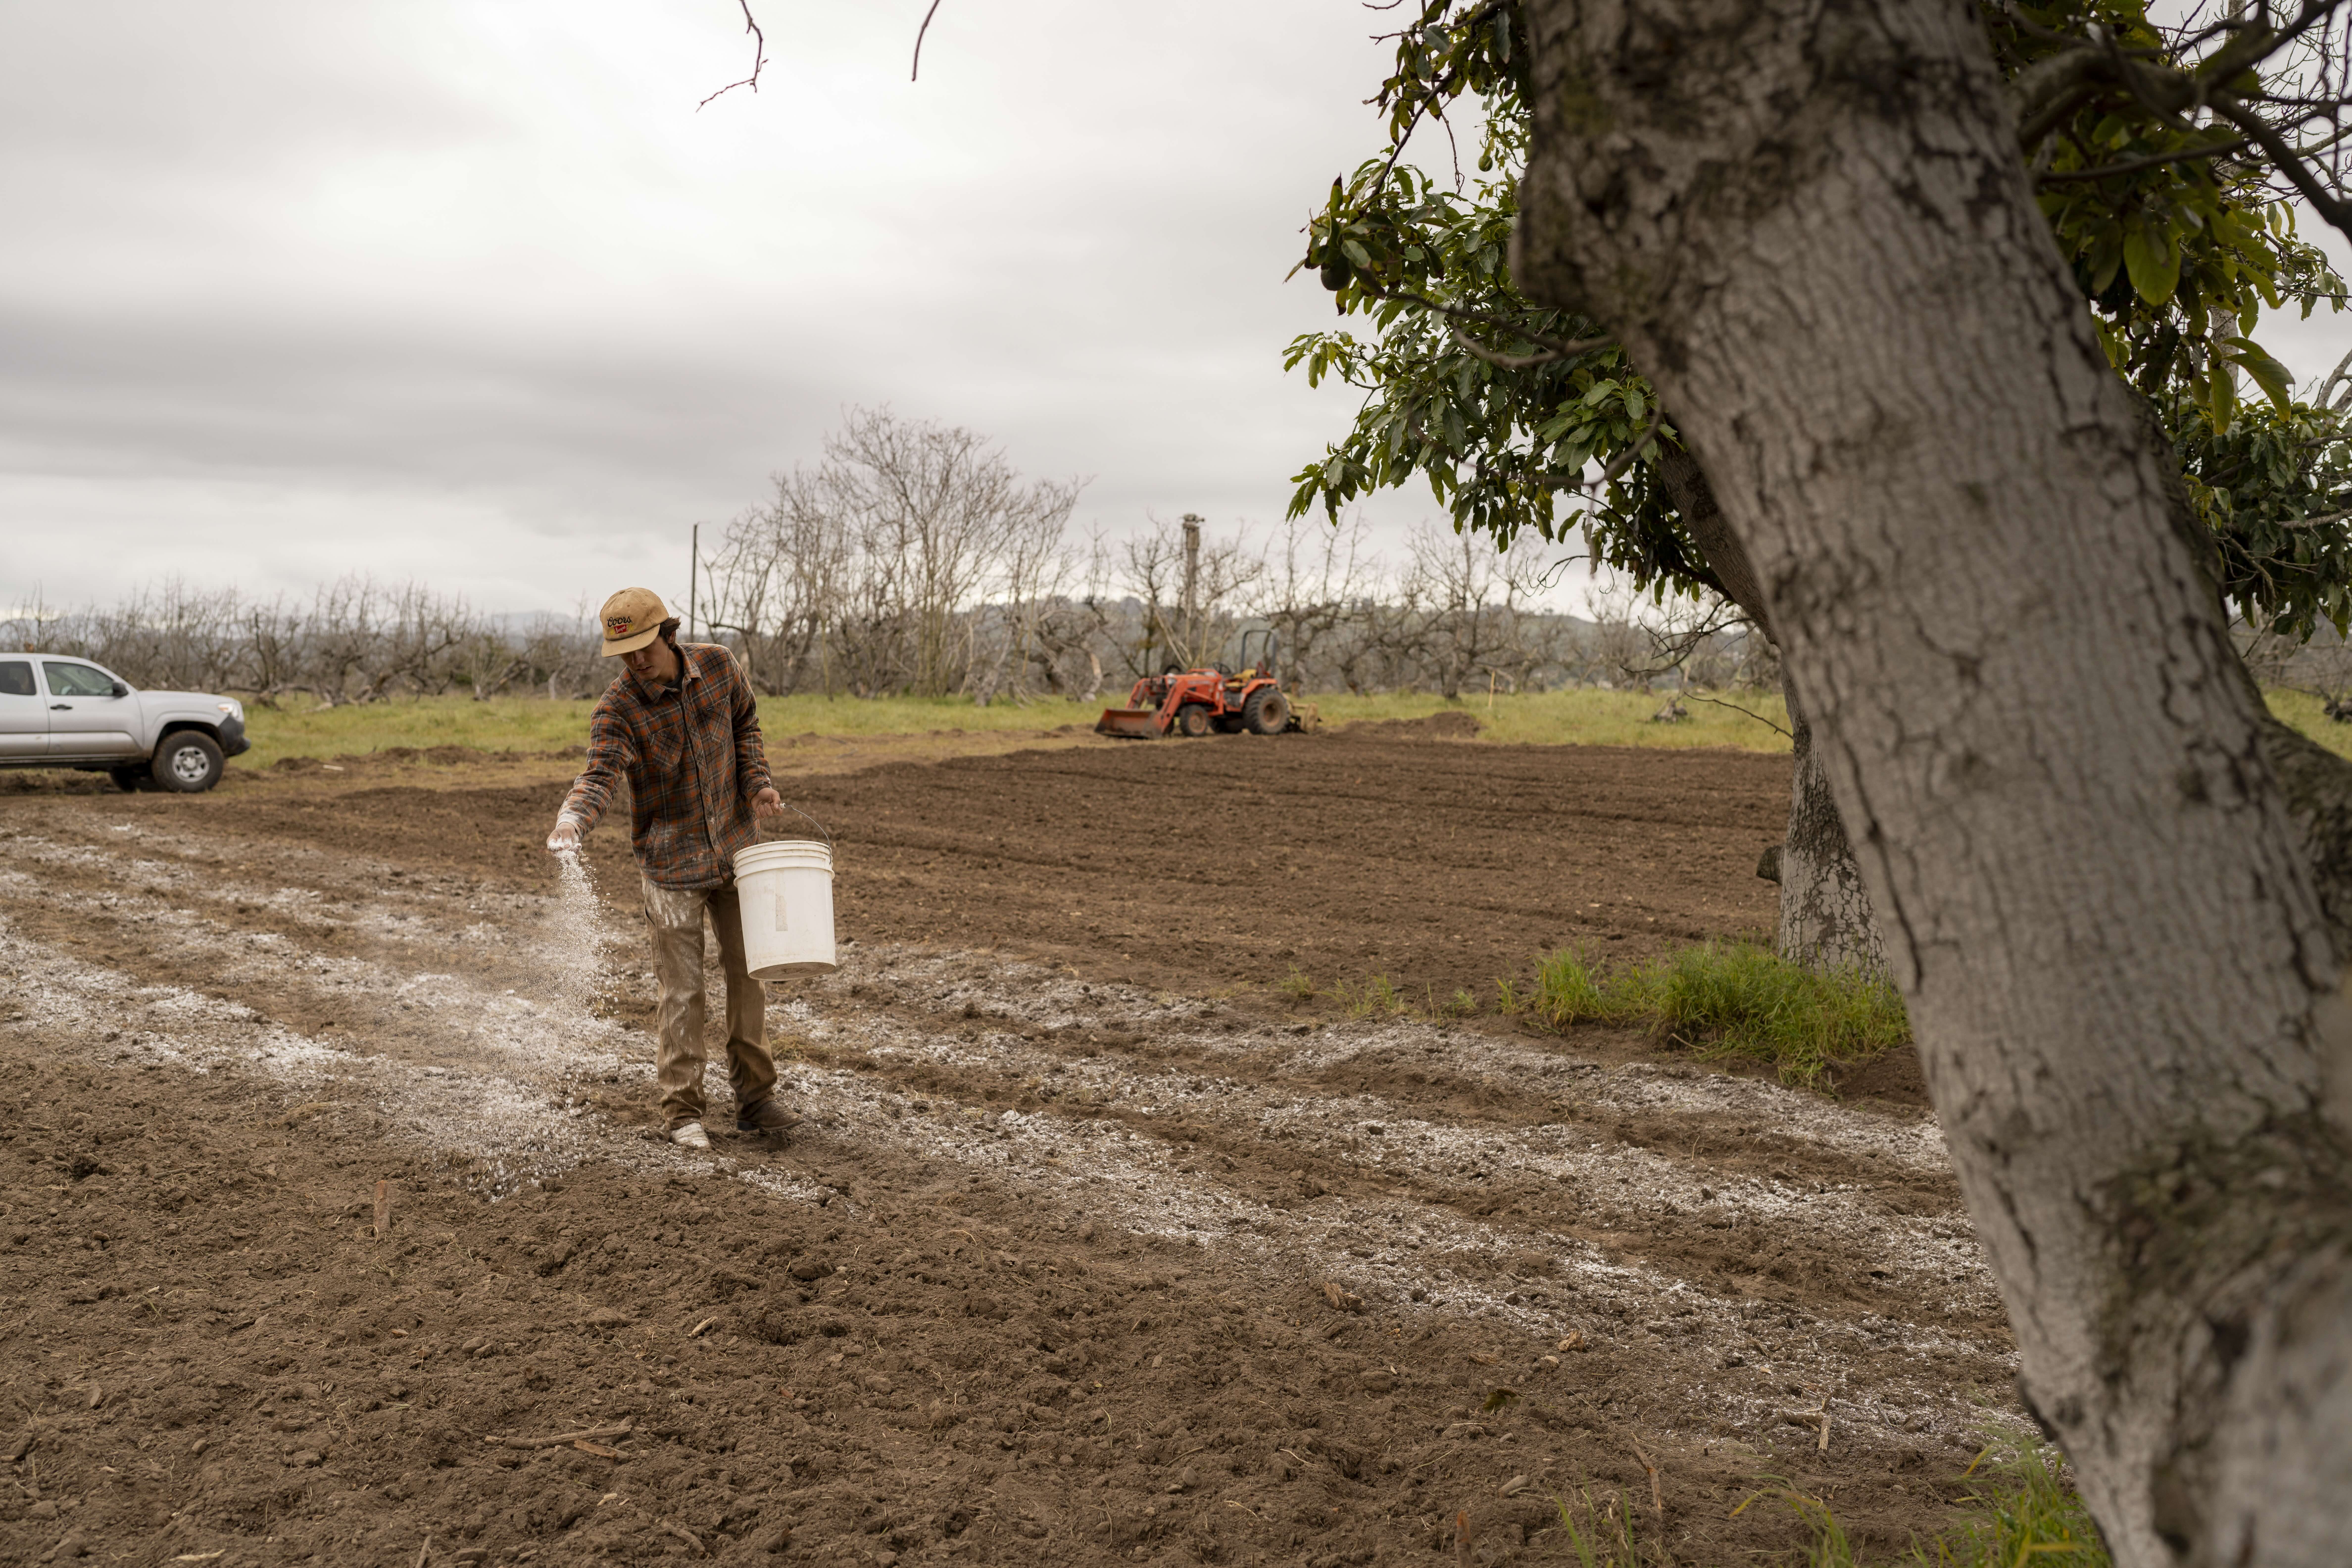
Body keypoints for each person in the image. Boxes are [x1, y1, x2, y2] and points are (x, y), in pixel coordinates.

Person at [545, 587, 801, 1151]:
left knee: (750, 976)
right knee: (682, 994)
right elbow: (600, 775)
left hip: (737, 854)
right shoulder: (618, 709)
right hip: (670, 868)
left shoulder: (719, 667)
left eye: (644, 648)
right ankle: (683, 1112)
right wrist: (572, 820)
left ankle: (756, 1100)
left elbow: (747, 728)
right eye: (624, 654)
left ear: (669, 634)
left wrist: (757, 783)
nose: (637, 663)